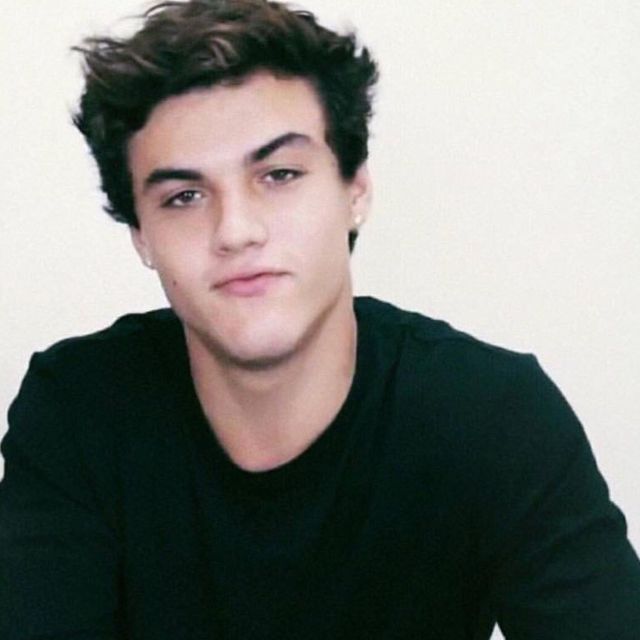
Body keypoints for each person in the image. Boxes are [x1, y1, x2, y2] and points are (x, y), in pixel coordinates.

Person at [1, 0, 639, 638]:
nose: (236, 230)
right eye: (184, 196)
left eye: (279, 174)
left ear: (354, 190)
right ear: (142, 235)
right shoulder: (79, 412)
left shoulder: (491, 417)